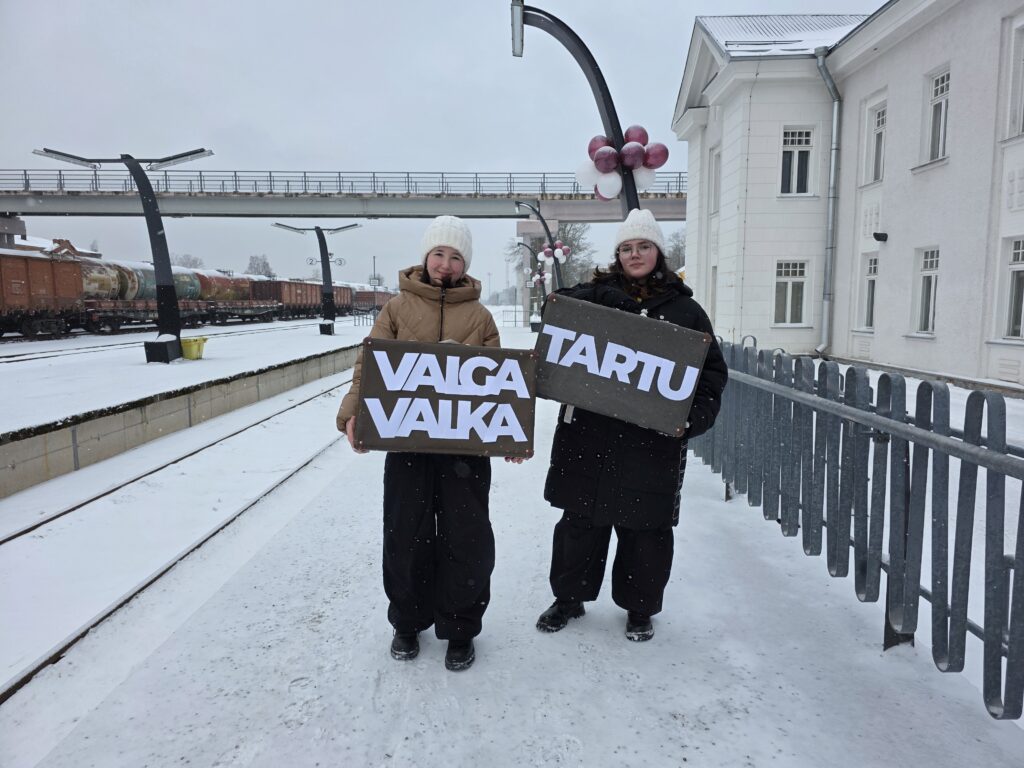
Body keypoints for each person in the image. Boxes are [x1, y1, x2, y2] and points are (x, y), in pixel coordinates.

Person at [535, 208, 728, 642]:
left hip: (649, 445)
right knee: (579, 522)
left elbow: (711, 376)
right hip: (588, 434)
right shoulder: (594, 296)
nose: (634, 254)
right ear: (617, 255)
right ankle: (568, 598)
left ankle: (640, 608)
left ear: (658, 252)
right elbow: (555, 310)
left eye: (643, 246)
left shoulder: (685, 311)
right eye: (626, 247)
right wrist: (605, 298)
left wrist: (689, 420)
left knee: (645, 530)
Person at [336, 215, 516, 672]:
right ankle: (408, 621)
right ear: (425, 256)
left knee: (467, 538)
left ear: (465, 264)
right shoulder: (396, 309)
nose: (445, 264)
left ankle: (460, 626)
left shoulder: (480, 317)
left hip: (464, 451)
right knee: (405, 535)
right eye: (439, 253)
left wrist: (513, 430)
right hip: (408, 446)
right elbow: (369, 365)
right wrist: (353, 412)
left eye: (455, 257)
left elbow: (501, 383)